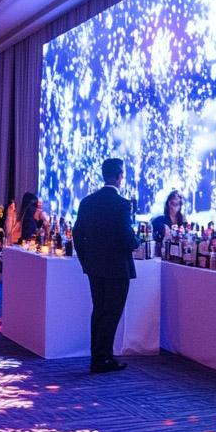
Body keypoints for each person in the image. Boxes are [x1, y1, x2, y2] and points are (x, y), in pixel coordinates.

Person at [73, 158, 140, 373]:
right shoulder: (122, 204)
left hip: (95, 267)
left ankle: (98, 357)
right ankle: (103, 359)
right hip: (117, 268)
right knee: (111, 314)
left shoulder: (87, 202)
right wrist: (136, 242)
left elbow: (77, 233)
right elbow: (126, 236)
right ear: (120, 176)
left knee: (99, 312)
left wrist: (86, 260)